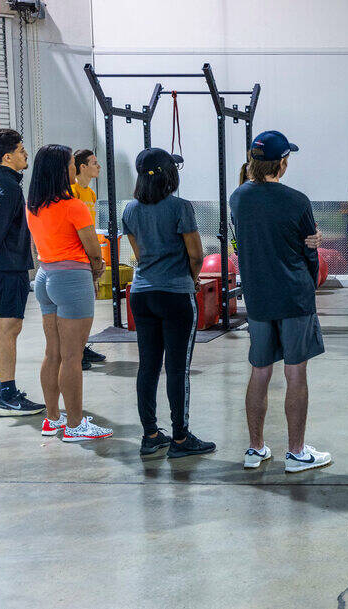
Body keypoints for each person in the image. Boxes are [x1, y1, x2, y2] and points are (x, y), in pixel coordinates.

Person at [230, 130, 331, 473]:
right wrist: (312, 246)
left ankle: (255, 449)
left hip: (258, 299)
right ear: (282, 163)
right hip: (293, 296)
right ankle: (296, 452)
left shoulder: (238, 198)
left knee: (259, 372)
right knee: (295, 373)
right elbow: (308, 250)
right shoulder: (297, 201)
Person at [123, 148, 215, 458]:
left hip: (142, 293)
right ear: (170, 175)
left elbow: (139, 254)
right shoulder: (180, 207)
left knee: (148, 366)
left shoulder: (130, 210)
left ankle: (150, 435)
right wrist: (190, 278)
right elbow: (196, 255)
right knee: (177, 369)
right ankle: (179, 438)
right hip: (175, 294)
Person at [24, 144, 112, 441]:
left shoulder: (33, 206)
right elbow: (93, 250)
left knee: (53, 353)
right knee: (73, 356)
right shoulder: (73, 205)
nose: (76, 168)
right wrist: (97, 271)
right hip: (72, 278)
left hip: (46, 275)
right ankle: (75, 424)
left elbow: (38, 247)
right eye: (73, 164)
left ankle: (52, 419)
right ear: (63, 170)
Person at [0, 128, 44, 416]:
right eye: (21, 150)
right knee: (10, 329)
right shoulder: (7, 188)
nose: (25, 154)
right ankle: (8, 395)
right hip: (6, 268)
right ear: (7, 157)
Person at [71, 148, 107, 369]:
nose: (98, 166)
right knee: (77, 308)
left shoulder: (91, 194)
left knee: (88, 305)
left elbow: (90, 229)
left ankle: (82, 345)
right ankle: (75, 351)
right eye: (94, 162)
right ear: (82, 167)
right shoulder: (72, 191)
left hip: (88, 256)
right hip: (75, 258)